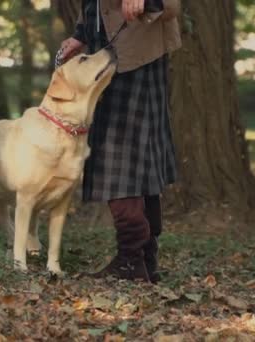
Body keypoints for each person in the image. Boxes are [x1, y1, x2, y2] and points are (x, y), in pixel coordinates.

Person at [59, 0, 181, 283]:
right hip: (108, 56)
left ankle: (132, 260)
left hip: (137, 58)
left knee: (120, 158)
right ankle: (142, 260)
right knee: (135, 159)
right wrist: (81, 34)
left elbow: (171, 6)